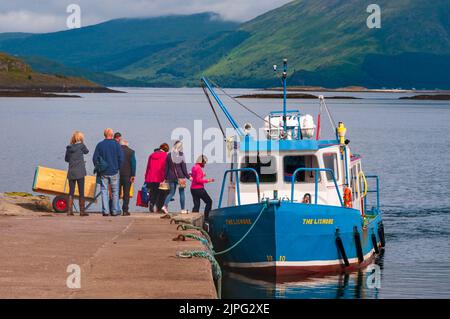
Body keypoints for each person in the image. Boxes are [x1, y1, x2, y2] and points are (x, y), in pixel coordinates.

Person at [93, 128, 124, 216]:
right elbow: (121, 158)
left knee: (104, 191)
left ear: (104, 135)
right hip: (114, 171)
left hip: (103, 172)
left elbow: (95, 158)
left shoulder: (100, 145)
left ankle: (105, 211)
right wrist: (118, 167)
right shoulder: (117, 145)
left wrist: (99, 167)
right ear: (112, 135)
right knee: (115, 191)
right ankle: (114, 211)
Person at [65, 131, 89, 216]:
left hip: (71, 172)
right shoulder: (82, 146)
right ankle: (82, 211)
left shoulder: (69, 147)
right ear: (80, 138)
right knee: (81, 192)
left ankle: (69, 211)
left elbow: (66, 159)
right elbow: (87, 151)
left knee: (71, 192)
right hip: (80, 171)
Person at [162, 141, 190, 214]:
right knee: (181, 193)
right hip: (180, 177)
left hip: (170, 176)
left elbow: (166, 168)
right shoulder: (181, 155)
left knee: (171, 193)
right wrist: (188, 176)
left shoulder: (169, 155)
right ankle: (183, 209)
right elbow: (184, 168)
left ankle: (164, 206)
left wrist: (165, 178)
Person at [145, 143, 169, 213]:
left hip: (151, 177)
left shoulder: (151, 155)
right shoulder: (166, 156)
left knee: (153, 192)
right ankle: (159, 208)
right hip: (161, 177)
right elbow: (166, 167)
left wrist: (146, 176)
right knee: (162, 193)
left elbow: (148, 167)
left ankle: (152, 204)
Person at [191, 155, 214, 224]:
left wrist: (202, 175)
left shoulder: (194, 167)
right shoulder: (199, 169)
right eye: (204, 162)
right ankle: (206, 218)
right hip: (199, 189)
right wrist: (208, 180)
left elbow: (194, 176)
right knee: (209, 202)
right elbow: (198, 180)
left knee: (196, 205)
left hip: (193, 189)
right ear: (201, 162)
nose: (205, 164)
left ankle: (193, 219)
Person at [119, 139, 136, 216]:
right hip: (127, 175)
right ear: (127, 144)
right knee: (126, 193)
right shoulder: (131, 152)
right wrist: (133, 175)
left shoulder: (117, 150)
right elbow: (133, 164)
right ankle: (125, 210)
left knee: (116, 193)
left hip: (117, 174)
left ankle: (114, 209)